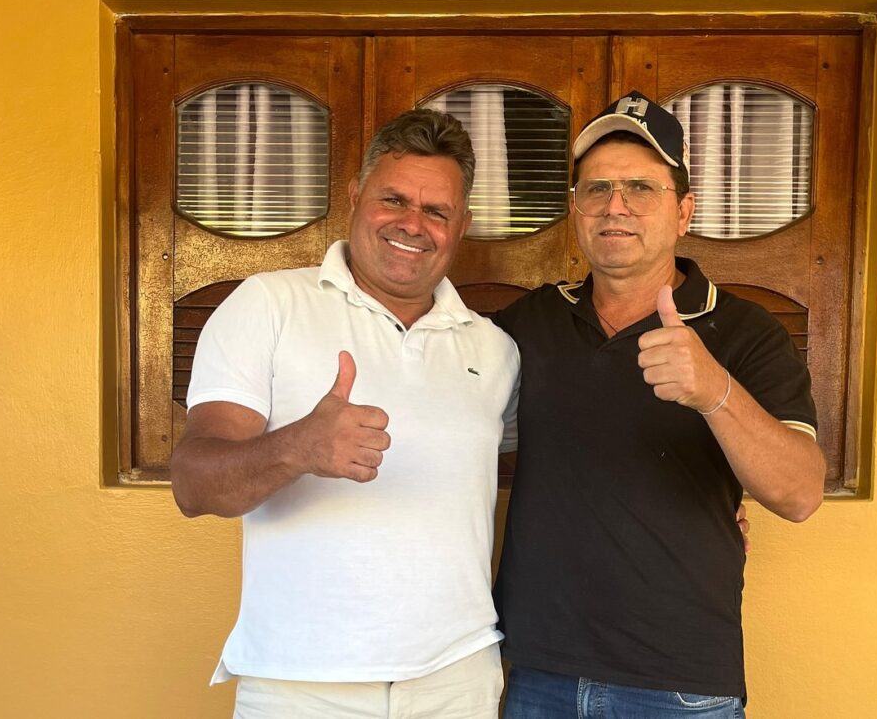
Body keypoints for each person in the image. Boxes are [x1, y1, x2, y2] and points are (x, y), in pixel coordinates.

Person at [170, 109, 520, 719]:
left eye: (437, 211)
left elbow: (562, 462)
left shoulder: (494, 349)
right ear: (356, 196)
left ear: (462, 225)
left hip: (456, 681)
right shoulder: (268, 304)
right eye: (393, 199)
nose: (413, 224)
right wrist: (298, 447)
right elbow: (193, 485)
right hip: (300, 683)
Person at [494, 91, 826, 718]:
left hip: (679, 685)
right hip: (539, 674)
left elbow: (800, 494)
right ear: (575, 209)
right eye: (597, 189)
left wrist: (714, 391)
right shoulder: (529, 322)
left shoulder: (746, 331)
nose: (615, 206)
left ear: (683, 213)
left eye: (642, 189)